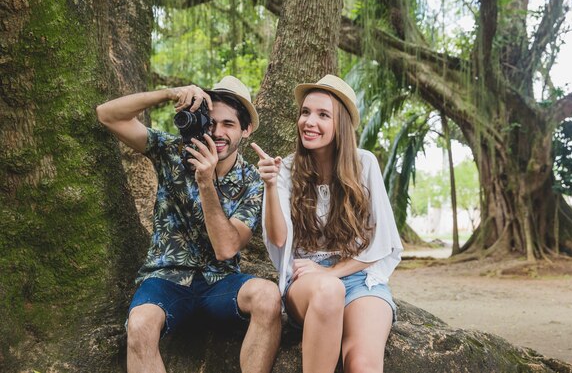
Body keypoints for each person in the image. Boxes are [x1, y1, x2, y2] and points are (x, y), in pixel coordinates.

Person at [96, 76, 281, 373]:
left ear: (245, 130)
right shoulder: (172, 151)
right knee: (140, 324)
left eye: (228, 124)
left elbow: (227, 248)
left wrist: (205, 183)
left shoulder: (254, 182)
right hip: (166, 280)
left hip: (219, 285)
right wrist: (170, 94)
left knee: (268, 296)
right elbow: (107, 114)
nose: (217, 132)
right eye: (211, 123)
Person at [252, 74, 403, 373]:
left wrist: (332, 271)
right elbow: (279, 240)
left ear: (340, 126)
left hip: (361, 278)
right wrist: (270, 185)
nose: (310, 121)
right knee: (329, 290)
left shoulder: (365, 164)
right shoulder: (287, 169)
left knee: (362, 365)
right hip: (309, 282)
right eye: (306, 112)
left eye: (323, 115)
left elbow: (382, 242)